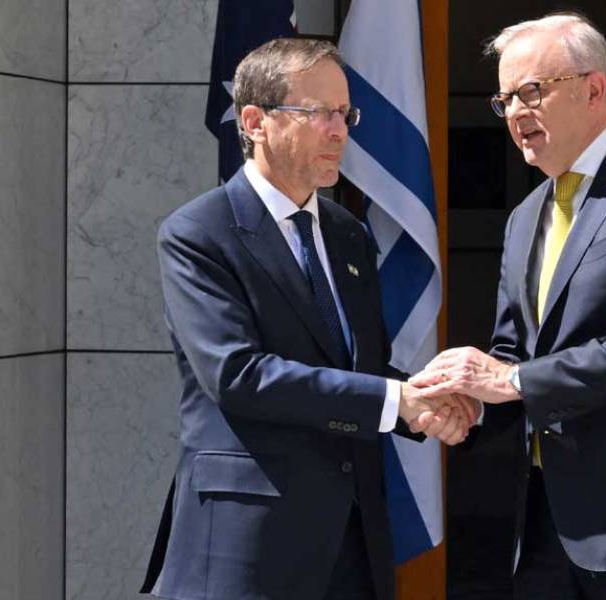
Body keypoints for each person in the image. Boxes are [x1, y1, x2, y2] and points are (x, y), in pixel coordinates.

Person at [411, 12, 606, 599]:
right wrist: (470, 406)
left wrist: (508, 379)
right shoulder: (526, 214)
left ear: (593, 89)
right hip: (544, 530)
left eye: (531, 91)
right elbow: (515, 355)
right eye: (504, 99)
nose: (514, 113)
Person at [140, 38, 474, 600]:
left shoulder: (347, 233)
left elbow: (353, 362)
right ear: (255, 121)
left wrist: (425, 398)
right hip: (247, 548)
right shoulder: (199, 234)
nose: (339, 131)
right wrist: (395, 401)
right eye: (318, 113)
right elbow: (239, 375)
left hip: (352, 544)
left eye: (345, 114)